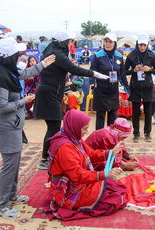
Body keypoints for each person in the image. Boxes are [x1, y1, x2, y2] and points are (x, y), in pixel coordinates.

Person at [0, 37, 55, 218]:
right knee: (9, 166)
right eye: (18, 53)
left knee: (14, 163)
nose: (20, 56)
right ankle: (0, 205)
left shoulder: (7, 70)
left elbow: (24, 74)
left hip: (12, 125)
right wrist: (24, 100)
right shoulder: (0, 77)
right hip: (6, 127)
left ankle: (11, 194)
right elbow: (1, 108)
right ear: (10, 56)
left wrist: (42, 65)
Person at [33, 30, 108, 170]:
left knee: (54, 127)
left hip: (50, 92)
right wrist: (94, 73)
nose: (71, 44)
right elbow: (74, 69)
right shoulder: (58, 55)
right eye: (69, 41)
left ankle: (50, 156)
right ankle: (45, 159)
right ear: (63, 42)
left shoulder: (52, 51)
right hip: (49, 94)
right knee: (54, 128)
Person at [44, 110, 127, 220]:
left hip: (78, 182)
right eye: (84, 129)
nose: (86, 132)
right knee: (113, 201)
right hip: (70, 191)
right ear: (74, 126)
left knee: (115, 187)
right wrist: (105, 174)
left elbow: (91, 154)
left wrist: (112, 152)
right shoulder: (65, 148)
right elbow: (78, 175)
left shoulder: (73, 138)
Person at [125, 33, 155, 143]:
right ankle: (136, 134)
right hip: (135, 87)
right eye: (140, 45)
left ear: (147, 45)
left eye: (144, 45)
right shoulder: (131, 56)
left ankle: (147, 133)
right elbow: (124, 71)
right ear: (137, 44)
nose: (142, 47)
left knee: (148, 112)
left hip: (148, 87)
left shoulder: (151, 55)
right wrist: (133, 70)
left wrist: (149, 69)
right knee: (135, 113)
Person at [90, 33, 129, 130]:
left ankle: (110, 139)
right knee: (100, 117)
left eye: (110, 42)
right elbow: (92, 71)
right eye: (106, 41)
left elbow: (122, 74)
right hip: (101, 91)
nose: (107, 44)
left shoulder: (119, 56)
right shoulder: (97, 56)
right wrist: (92, 82)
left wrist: (127, 89)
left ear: (114, 43)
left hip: (113, 91)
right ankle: (99, 140)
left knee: (112, 118)